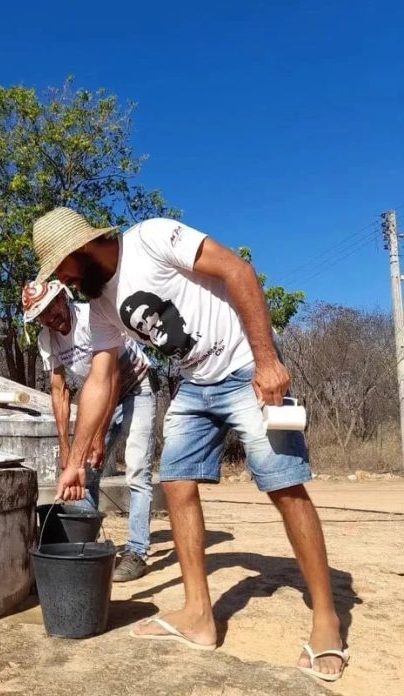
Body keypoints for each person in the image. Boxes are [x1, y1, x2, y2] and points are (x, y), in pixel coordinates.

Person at [29, 207, 348, 682]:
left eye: (63, 270)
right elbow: (99, 379)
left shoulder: (152, 238)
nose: (65, 281)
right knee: (176, 483)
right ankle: (199, 615)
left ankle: (327, 619)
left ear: (80, 250)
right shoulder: (98, 307)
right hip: (193, 384)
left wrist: (267, 361)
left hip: (244, 368)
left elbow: (238, 270)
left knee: (284, 486)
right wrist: (75, 459)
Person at [22, 279, 157, 581]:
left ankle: (137, 552)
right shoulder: (48, 339)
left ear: (63, 298)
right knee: (84, 468)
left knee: (137, 469)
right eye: (41, 314)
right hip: (100, 390)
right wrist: (67, 449)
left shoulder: (91, 317)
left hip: (136, 385)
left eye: (52, 306)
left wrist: (98, 437)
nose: (50, 316)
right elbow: (60, 393)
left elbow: (112, 375)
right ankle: (84, 544)